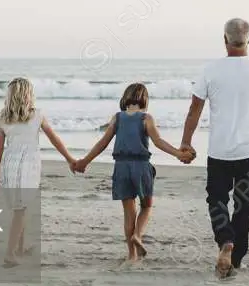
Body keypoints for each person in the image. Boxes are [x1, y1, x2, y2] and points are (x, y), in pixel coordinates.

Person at [179, 18, 249, 278]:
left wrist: (186, 142)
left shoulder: (210, 70)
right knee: (244, 203)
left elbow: (195, 109)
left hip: (219, 149)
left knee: (216, 198)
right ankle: (237, 257)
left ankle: (225, 240)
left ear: (225, 39)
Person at [72, 83, 191, 262]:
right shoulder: (146, 118)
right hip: (141, 167)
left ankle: (131, 255)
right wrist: (178, 154)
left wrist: (84, 161)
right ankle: (138, 236)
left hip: (121, 168)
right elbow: (158, 142)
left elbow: (102, 143)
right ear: (145, 99)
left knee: (129, 212)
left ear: (125, 98)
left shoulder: (117, 118)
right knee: (147, 206)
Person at [0, 77, 77, 266]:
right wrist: (70, 159)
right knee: (21, 210)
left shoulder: (3, 119)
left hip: (9, 165)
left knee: (21, 207)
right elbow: (55, 139)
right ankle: (10, 253)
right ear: (29, 95)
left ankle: (20, 248)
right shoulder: (37, 115)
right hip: (28, 166)